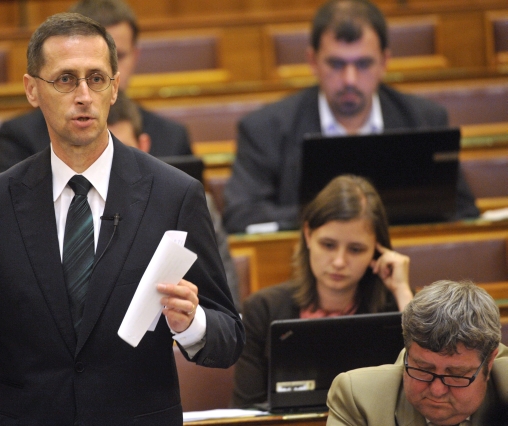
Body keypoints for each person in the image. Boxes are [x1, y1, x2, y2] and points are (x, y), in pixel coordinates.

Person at [0, 13, 244, 425]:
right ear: (32, 89)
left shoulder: (174, 194)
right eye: (66, 79)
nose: (84, 95)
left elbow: (229, 338)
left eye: (97, 78)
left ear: (115, 87)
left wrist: (192, 323)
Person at [223, 0, 479, 234]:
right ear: (312, 61)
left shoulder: (424, 120)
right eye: (336, 64)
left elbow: (463, 210)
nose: (350, 80)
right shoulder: (264, 129)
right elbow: (241, 215)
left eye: (363, 64)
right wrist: (338, 215)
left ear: (384, 62)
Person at [231, 174, 412, 408]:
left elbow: (423, 388)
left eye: (356, 249)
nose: (339, 261)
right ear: (308, 235)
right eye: (328, 245)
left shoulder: (397, 306)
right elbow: (245, 410)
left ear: (377, 251)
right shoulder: (262, 309)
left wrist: (402, 290)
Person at [0, 0, 192, 174]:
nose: (85, 94)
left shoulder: (171, 136)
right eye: (66, 78)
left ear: (136, 55)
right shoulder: (19, 136)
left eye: (118, 56)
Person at [107, 93, 241, 310]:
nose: (114, 163)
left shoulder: (190, 204)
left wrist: (192, 324)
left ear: (143, 144)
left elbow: (227, 306)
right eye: (105, 152)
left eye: (123, 150)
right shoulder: (76, 208)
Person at [327, 279, 508, 425]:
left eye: (456, 374)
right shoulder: (358, 397)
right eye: (423, 369)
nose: (437, 391)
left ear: (489, 362)